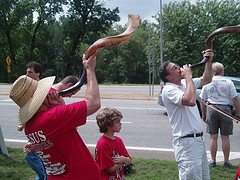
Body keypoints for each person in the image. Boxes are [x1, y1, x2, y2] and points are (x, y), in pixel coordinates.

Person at [10, 52, 101, 179]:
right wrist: (90, 69)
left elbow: (64, 134)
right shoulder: (52, 117)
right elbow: (93, 103)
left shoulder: (29, 126)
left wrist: (59, 106)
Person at [158, 49, 214, 180]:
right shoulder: (168, 89)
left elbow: (207, 79)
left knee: (204, 177)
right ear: (169, 77)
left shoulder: (184, 83)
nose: (179, 68)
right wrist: (188, 76)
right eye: (175, 68)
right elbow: (190, 101)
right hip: (186, 143)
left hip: (198, 141)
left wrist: (208, 62)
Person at [23, 75, 80, 180]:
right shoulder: (55, 97)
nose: (71, 96)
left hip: (40, 139)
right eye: (72, 92)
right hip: (52, 147)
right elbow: (62, 127)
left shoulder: (45, 91)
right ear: (69, 85)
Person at [200, 62, 240, 168]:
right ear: (222, 71)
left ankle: (213, 160)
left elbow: (203, 100)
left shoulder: (207, 82)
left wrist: (204, 113)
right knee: (225, 136)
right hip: (225, 109)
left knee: (213, 136)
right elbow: (235, 98)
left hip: (212, 109)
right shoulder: (228, 82)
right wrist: (238, 112)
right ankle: (226, 161)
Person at [95, 107, 131, 180]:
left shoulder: (119, 140)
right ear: (108, 124)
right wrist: (123, 161)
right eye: (117, 122)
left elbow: (129, 160)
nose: (120, 124)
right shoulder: (103, 144)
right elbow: (110, 169)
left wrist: (124, 159)